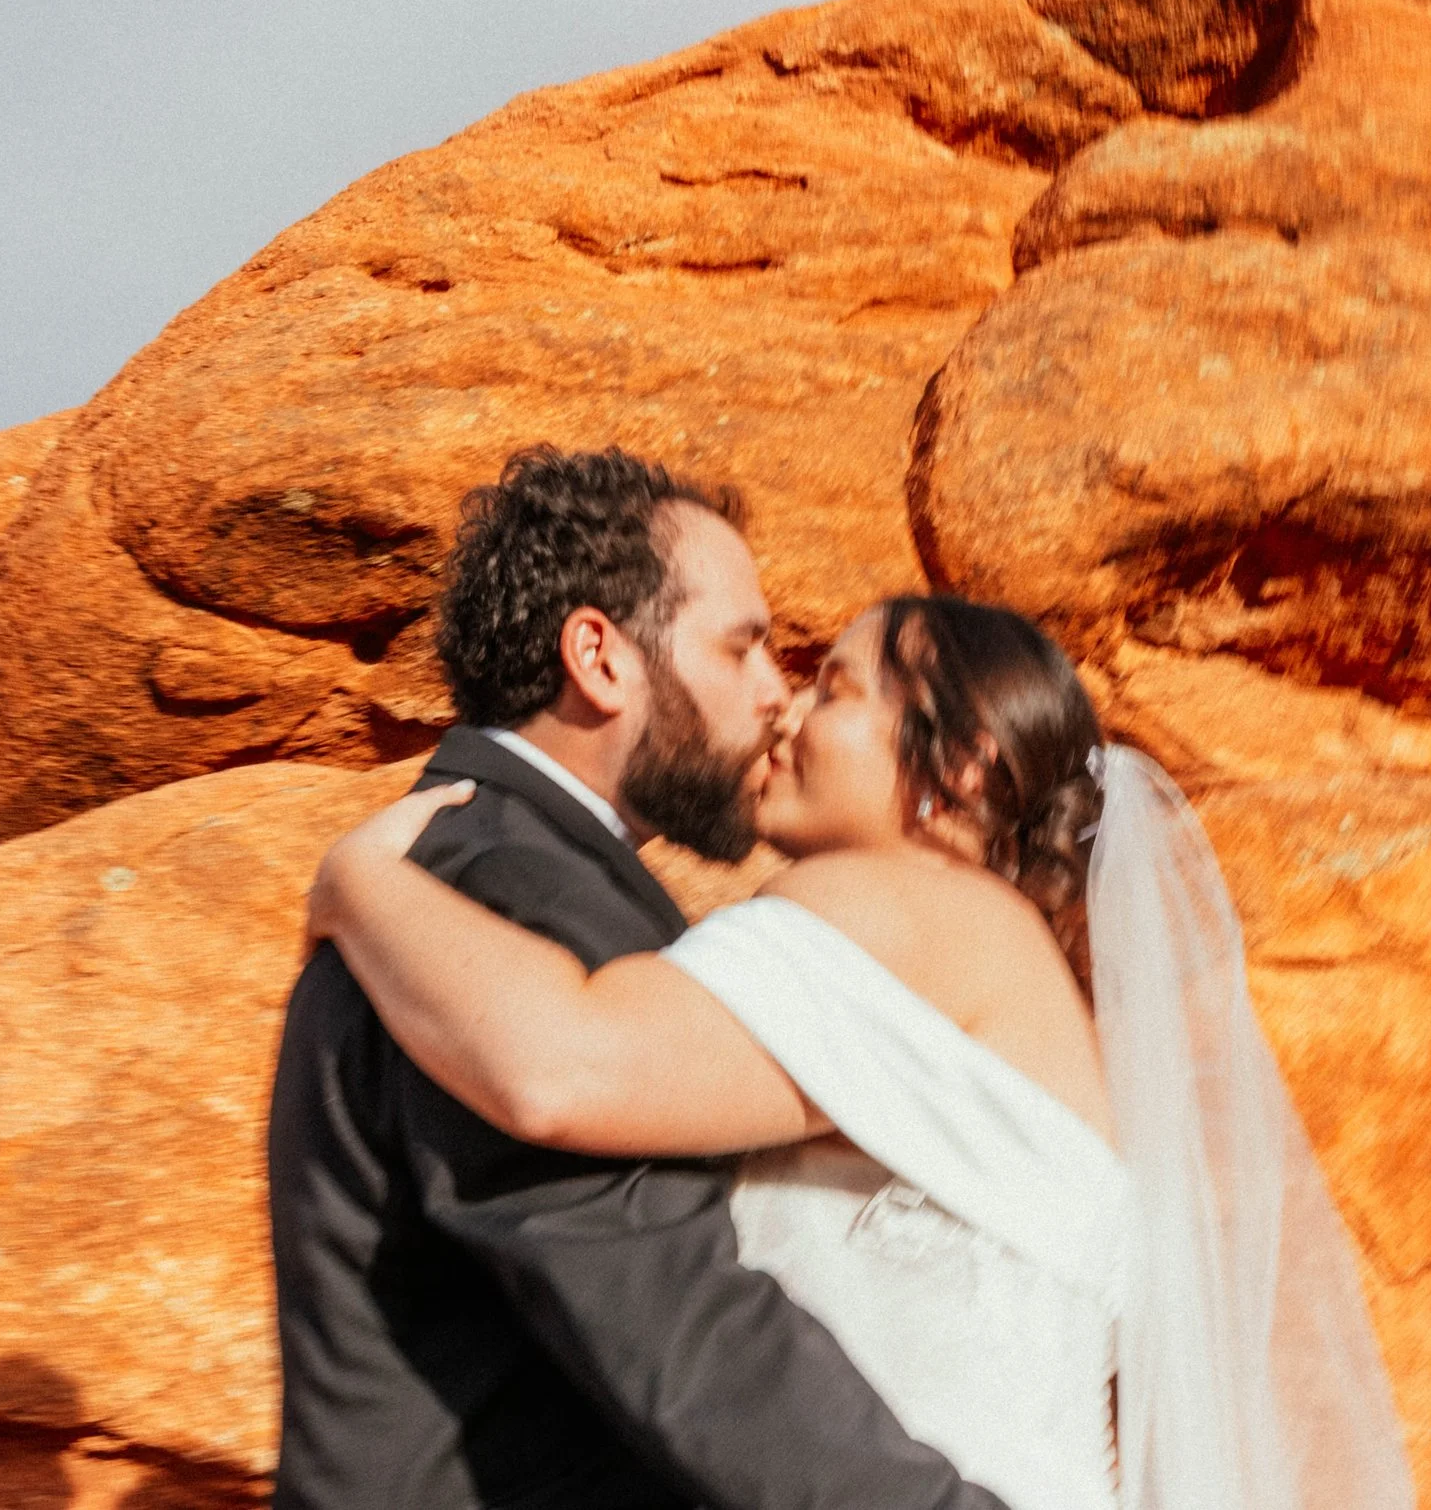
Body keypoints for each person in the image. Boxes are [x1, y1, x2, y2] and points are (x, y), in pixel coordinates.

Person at [309, 583, 1419, 1505]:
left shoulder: (910, 903)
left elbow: (560, 1066)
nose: (785, 708)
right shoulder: (1011, 961)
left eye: (835, 686)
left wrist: (357, 883)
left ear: (962, 770)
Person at [265, 447, 1012, 1510]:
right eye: (743, 645)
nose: (777, 696)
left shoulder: (458, 868)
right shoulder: (510, 892)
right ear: (599, 657)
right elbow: (674, 1318)